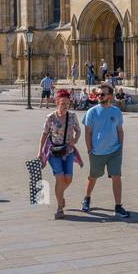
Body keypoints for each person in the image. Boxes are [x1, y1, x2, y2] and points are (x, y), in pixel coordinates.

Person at [81, 84, 129, 218]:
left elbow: (120, 130)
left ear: (110, 96)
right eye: (98, 94)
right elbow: (87, 133)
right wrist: (90, 149)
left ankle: (118, 206)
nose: (99, 96)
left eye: (102, 94)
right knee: (93, 177)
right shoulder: (92, 112)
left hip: (114, 151)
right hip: (97, 151)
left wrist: (120, 147)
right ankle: (87, 197)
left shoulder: (116, 112)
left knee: (116, 177)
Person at [39, 89, 81, 220]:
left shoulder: (72, 116)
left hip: (68, 151)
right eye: (62, 103)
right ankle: (59, 208)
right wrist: (40, 151)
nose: (65, 106)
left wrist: (75, 139)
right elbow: (45, 134)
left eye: (67, 103)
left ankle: (60, 194)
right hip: (54, 152)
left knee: (68, 179)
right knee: (60, 178)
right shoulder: (50, 117)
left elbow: (78, 131)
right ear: (57, 102)